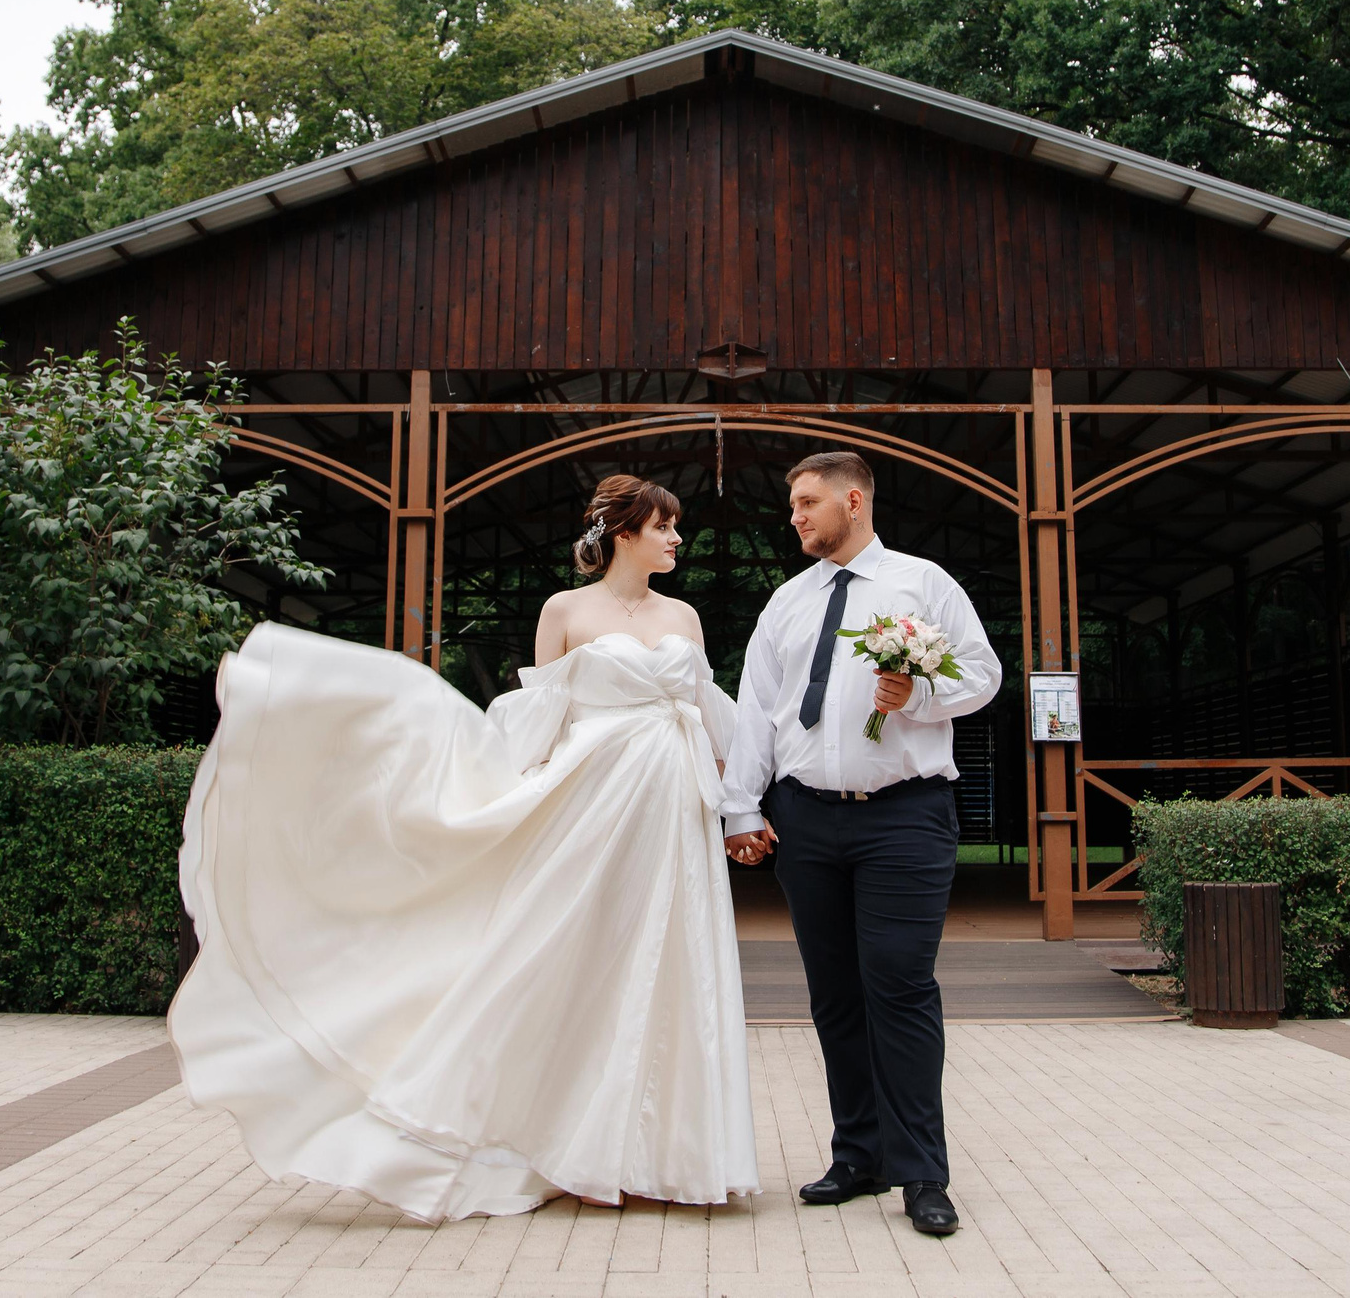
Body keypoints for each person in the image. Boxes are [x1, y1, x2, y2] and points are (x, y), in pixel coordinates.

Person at [171, 474, 759, 1222]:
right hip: (589, 808)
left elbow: (707, 713)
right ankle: (556, 1140)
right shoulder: (564, 610)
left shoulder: (685, 615)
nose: (678, 539)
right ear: (624, 532)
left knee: (671, 962)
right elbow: (538, 717)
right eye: (666, 527)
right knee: (571, 962)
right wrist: (495, 804)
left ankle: (661, 1151)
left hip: (673, 811)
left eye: (677, 528)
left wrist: (745, 805)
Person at [722, 451, 1002, 1237]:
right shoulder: (785, 601)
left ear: (853, 500)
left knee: (900, 986)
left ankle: (921, 1173)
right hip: (806, 818)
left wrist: (919, 694)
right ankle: (859, 1155)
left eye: (808, 503)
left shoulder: (922, 583)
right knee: (835, 994)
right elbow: (757, 709)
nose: (796, 516)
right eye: (792, 505)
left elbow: (983, 674)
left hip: (904, 816)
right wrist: (739, 806)